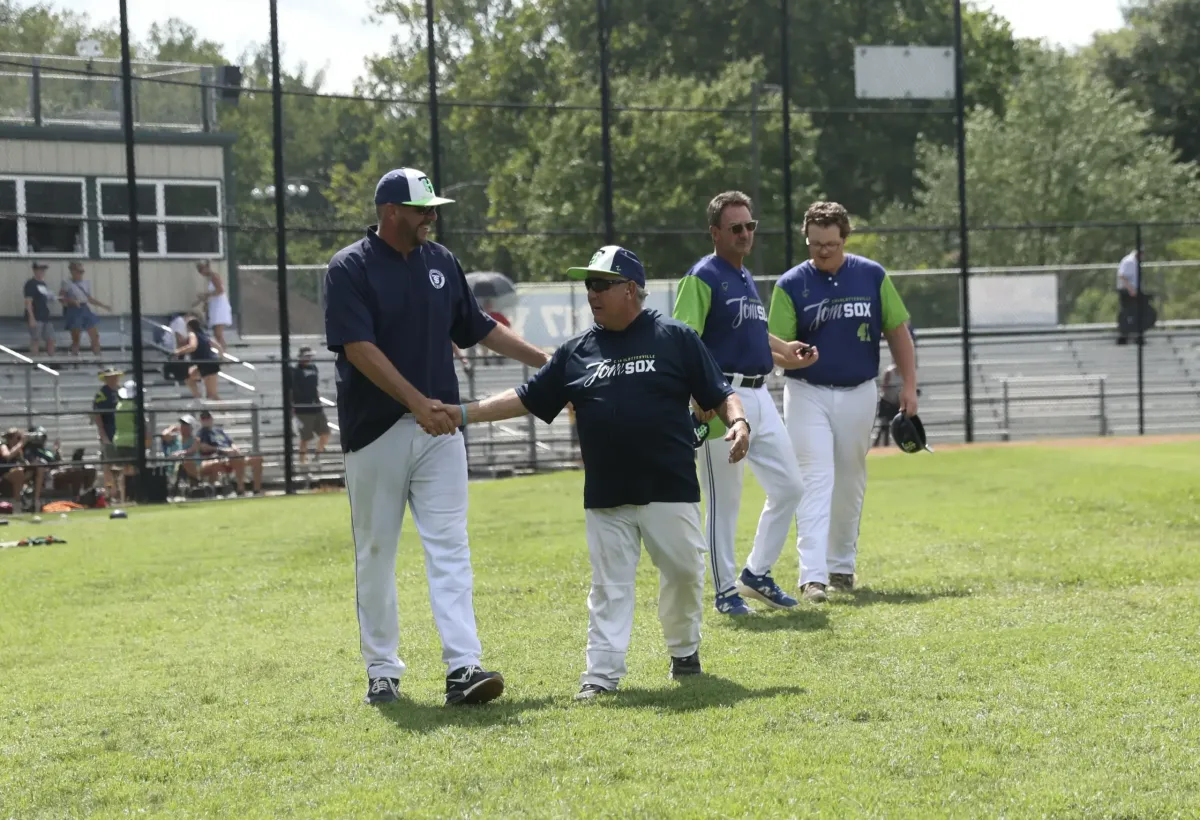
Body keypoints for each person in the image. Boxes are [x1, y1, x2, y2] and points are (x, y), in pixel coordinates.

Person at [432, 245, 750, 700]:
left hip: (669, 485)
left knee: (683, 572)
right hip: (607, 492)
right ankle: (600, 676)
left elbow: (720, 392)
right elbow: (525, 397)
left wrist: (738, 422)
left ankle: (684, 650)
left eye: (602, 284)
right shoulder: (577, 351)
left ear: (631, 290)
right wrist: (463, 413)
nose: (592, 293)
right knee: (609, 587)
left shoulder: (676, 337)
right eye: (589, 285)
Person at [323, 167, 550, 707]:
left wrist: (548, 361)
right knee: (376, 552)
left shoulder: (441, 262)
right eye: (422, 209)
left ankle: (463, 668)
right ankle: (382, 670)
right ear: (390, 212)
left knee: (451, 548)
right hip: (376, 431)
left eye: (433, 208)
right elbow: (358, 347)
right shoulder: (349, 268)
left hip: (441, 427)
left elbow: (479, 329)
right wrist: (414, 401)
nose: (432, 217)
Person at [672, 190, 819, 616]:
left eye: (749, 226)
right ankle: (724, 592)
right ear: (715, 232)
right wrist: (699, 394)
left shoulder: (742, 276)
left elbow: (751, 333)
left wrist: (785, 348)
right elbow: (684, 341)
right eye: (735, 227)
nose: (744, 234)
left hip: (760, 393)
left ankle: (755, 574)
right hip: (722, 398)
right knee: (725, 500)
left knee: (790, 486)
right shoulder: (703, 276)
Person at [767, 201, 918, 603]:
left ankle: (841, 566)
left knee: (850, 477)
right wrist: (791, 355)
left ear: (844, 238)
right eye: (815, 243)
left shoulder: (871, 275)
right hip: (806, 390)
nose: (822, 251)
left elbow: (898, 331)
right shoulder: (791, 284)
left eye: (831, 243)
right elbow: (774, 348)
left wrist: (909, 385)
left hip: (859, 391)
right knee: (815, 477)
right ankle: (812, 576)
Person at [196, 410, 263, 496]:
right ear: (200, 420)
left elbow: (231, 442)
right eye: (204, 418)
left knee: (257, 459)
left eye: (208, 418)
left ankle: (257, 491)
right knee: (238, 459)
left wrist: (235, 449)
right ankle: (240, 490)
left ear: (212, 419)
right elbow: (203, 447)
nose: (206, 420)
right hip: (215, 458)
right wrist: (222, 450)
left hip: (231, 456)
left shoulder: (218, 431)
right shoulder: (201, 433)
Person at [59, 262, 112, 357]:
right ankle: (74, 359)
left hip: (84, 309)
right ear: (72, 272)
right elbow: (61, 298)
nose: (80, 274)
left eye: (82, 272)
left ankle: (99, 359)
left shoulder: (85, 283)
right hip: (73, 310)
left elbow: (89, 298)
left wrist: (103, 305)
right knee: (76, 339)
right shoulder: (67, 283)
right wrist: (72, 301)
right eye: (78, 272)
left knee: (95, 337)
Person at [291, 345, 331, 467]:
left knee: (326, 433)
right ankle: (302, 462)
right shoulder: (295, 371)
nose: (309, 358)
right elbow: (292, 390)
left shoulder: (314, 368)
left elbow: (315, 388)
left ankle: (317, 456)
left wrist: (319, 402)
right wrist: (292, 408)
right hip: (302, 408)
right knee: (305, 437)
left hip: (316, 407)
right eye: (306, 356)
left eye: (310, 356)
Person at [92, 367, 124, 502]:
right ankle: (109, 492)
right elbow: (98, 417)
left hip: (122, 433)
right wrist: (103, 435)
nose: (114, 378)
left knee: (123, 463)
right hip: (109, 433)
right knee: (108, 465)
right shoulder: (101, 395)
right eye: (111, 376)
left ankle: (122, 491)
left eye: (115, 376)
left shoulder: (122, 392)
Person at [174, 315, 220, 400]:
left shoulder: (192, 334)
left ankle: (198, 397)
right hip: (212, 363)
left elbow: (192, 346)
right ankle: (198, 398)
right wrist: (222, 357)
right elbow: (218, 346)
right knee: (211, 394)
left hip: (205, 364)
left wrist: (178, 351)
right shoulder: (204, 335)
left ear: (189, 327)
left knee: (187, 377)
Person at [193, 260, 232, 353]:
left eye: (201, 269)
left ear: (206, 268)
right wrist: (205, 302)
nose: (200, 272)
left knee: (218, 334)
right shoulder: (209, 279)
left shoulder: (214, 276)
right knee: (217, 334)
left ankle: (224, 355)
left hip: (220, 307)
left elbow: (220, 291)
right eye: (199, 270)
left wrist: (205, 295)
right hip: (215, 306)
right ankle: (222, 354)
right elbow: (212, 294)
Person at [23, 261, 56, 358]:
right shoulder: (31, 284)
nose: (42, 272)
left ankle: (52, 361)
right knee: (36, 339)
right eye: (39, 270)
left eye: (43, 270)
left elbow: (44, 297)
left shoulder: (43, 284)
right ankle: (36, 362)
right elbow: (28, 301)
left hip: (45, 315)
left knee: (51, 338)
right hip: (36, 316)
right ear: (34, 270)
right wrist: (31, 318)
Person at [0, 428, 28, 505]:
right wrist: (21, 444)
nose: (19, 440)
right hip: (4, 477)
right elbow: (7, 456)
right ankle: (17, 503)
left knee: (36, 470)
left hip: (16, 478)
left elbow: (24, 464)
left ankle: (35, 501)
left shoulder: (18, 449)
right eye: (18, 438)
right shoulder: (3, 446)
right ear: (10, 439)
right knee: (18, 472)